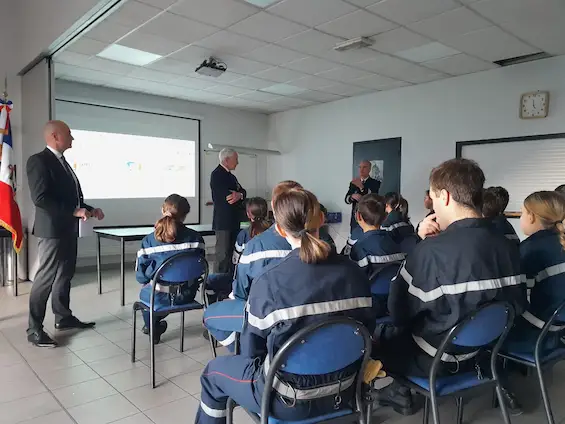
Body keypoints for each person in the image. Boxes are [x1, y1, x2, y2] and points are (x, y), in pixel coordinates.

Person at [196, 188, 377, 424]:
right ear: (321, 220)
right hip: (346, 391)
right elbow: (366, 330)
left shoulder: (269, 282)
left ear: (280, 230)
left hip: (286, 401)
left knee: (213, 374)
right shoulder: (355, 273)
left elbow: (252, 352)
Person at [375, 159, 527, 415]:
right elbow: (516, 303)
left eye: (433, 198)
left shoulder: (430, 252)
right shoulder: (507, 245)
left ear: (444, 197)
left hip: (438, 360)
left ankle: (399, 392)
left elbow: (399, 312)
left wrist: (419, 246)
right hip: (487, 351)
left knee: (382, 335)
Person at [26, 120, 105, 347]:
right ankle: (34, 329)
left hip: (68, 228)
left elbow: (71, 198)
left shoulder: (63, 162)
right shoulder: (39, 161)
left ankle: (63, 317)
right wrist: (73, 210)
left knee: (65, 274)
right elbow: (40, 199)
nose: (72, 138)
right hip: (52, 230)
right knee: (46, 278)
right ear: (55, 136)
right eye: (69, 134)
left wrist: (89, 209)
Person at [203, 181, 299, 351]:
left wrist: (234, 297)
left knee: (211, 312)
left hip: (258, 306)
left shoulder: (252, 242)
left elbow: (239, 280)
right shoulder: (318, 246)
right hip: (294, 308)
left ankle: (244, 350)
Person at [497, 191, 565, 413]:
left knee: (488, 333)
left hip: (536, 336)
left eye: (524, 213)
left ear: (533, 217)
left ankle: (507, 393)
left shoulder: (530, 250)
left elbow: (515, 299)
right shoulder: (559, 242)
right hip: (557, 331)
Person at [136, 195, 205, 343]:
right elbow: (200, 266)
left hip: (158, 296)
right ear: (185, 215)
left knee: (145, 293)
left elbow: (140, 277)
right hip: (188, 294)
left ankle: (152, 328)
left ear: (162, 209)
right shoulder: (196, 238)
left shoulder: (148, 241)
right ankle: (156, 322)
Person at [349, 194, 405, 317]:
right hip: (396, 303)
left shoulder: (359, 248)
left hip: (371, 306)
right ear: (385, 217)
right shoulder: (396, 242)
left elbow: (353, 281)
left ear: (358, 216)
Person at [206, 197, 271, 303]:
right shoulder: (276, 233)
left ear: (248, 214)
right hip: (270, 285)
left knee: (211, 281)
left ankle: (214, 309)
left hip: (246, 286)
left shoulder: (244, 235)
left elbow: (235, 262)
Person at [211, 148, 246, 274]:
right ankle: (216, 286)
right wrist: (237, 195)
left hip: (234, 221)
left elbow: (243, 192)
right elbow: (227, 197)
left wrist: (239, 195)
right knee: (222, 255)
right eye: (235, 159)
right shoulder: (217, 175)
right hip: (223, 223)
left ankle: (229, 281)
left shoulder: (231, 176)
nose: (237, 162)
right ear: (226, 160)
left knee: (232, 253)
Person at [344, 160, 381, 232]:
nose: (361, 170)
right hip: (356, 219)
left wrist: (362, 188)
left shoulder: (375, 183)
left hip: (369, 218)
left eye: (364, 167)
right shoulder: (354, 183)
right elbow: (346, 199)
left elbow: (373, 198)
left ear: (369, 169)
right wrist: (352, 197)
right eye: (360, 167)